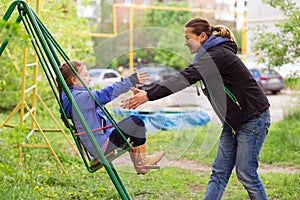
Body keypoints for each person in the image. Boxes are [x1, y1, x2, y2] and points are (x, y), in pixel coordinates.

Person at [121, 18, 271, 199]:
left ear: (201, 36)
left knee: (246, 174)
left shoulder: (218, 56)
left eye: (187, 37)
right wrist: (146, 91)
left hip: (252, 118)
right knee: (219, 173)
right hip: (233, 122)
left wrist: (148, 96)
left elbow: (186, 77)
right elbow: (184, 75)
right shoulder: (210, 56)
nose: (185, 42)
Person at [57, 60, 164, 174]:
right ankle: (142, 162)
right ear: (74, 80)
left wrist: (126, 84)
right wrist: (129, 82)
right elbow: (104, 95)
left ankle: (141, 162)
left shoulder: (74, 96)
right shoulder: (77, 98)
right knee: (135, 122)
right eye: (86, 75)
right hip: (102, 145)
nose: (90, 78)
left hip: (102, 141)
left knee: (133, 124)